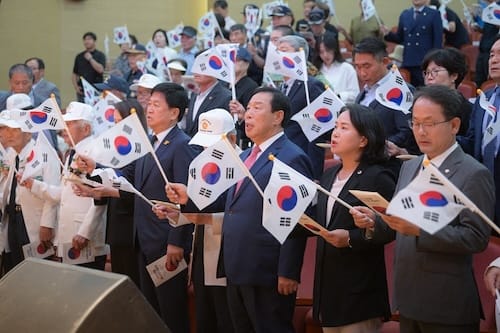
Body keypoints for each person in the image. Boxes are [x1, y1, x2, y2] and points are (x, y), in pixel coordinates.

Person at [168, 86, 314, 332]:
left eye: (257, 108)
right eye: (248, 108)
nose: (248, 114)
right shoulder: (246, 155)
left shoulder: (291, 157)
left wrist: (288, 270)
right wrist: (187, 197)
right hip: (236, 265)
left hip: (266, 269)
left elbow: (296, 218)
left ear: (278, 117)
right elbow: (228, 203)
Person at [355, 85, 494, 332]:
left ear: (454, 125)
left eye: (429, 124)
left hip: (446, 303)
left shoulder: (473, 173)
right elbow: (400, 225)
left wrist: (421, 230)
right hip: (408, 296)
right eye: (415, 123)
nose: (420, 131)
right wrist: (376, 222)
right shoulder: (411, 166)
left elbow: (476, 238)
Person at [120, 82, 198, 331]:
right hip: (144, 239)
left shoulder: (182, 145)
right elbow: (129, 178)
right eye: (149, 103)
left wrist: (177, 240)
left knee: (171, 313)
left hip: (166, 243)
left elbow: (185, 197)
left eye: (156, 105)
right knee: (150, 312)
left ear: (174, 112)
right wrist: (94, 170)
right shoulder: (149, 141)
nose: (148, 109)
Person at [313, 104, 396, 332]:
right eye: (335, 127)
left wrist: (351, 238)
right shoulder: (329, 174)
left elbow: (391, 228)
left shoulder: (378, 177)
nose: (335, 133)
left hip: (360, 295)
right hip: (328, 293)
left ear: (363, 140)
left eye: (344, 127)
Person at [158, 109, 237, 333]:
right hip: (202, 252)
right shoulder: (201, 164)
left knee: (225, 320)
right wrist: (177, 212)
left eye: (212, 144)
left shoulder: (242, 169)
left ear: (231, 139)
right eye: (204, 144)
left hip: (228, 258)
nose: (206, 150)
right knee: (204, 319)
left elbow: (233, 215)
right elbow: (198, 208)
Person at [30, 102, 109, 270]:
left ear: (86, 129)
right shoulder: (71, 153)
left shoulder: (96, 151)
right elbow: (64, 193)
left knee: (87, 287)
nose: (64, 129)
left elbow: (101, 196)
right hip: (69, 232)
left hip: (84, 234)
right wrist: (33, 185)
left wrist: (85, 231)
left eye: (70, 124)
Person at [0, 102, 60, 272]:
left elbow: (53, 191)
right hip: (12, 217)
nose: (9, 135)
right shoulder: (11, 154)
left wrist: (47, 224)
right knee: (13, 265)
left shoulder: (45, 153)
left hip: (33, 220)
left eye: (15, 130)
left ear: (28, 132)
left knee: (35, 269)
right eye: (6, 129)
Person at [353, 37, 416, 156]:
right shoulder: (362, 93)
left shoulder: (400, 90)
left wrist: (378, 145)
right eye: (358, 67)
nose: (362, 73)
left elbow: (408, 131)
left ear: (385, 61)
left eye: (367, 66)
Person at [462, 36, 500, 228]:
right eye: (492, 54)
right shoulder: (484, 98)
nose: (494, 59)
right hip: (485, 186)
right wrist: (443, 137)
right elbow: (471, 142)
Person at [278, 35, 326, 181]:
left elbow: (318, 129)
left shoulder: (311, 85)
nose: (278, 55)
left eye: (284, 50)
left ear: (299, 54)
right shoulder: (280, 87)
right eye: (277, 51)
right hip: (279, 155)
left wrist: (314, 171)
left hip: (301, 156)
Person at [382, 0, 443, 87]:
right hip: (408, 61)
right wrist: (388, 34)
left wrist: (435, 63)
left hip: (424, 62)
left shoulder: (433, 14)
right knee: (408, 91)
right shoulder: (405, 14)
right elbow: (400, 38)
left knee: (424, 92)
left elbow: (437, 42)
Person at [422, 48, 470, 137]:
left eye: (435, 71)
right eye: (427, 72)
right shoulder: (421, 105)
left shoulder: (466, 109)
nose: (429, 77)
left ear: (454, 76)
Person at [184, 63, 231, 137]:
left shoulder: (226, 97)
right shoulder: (194, 94)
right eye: (196, 67)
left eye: (202, 67)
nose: (197, 71)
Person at [314, 34, 359, 103]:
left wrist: (338, 96)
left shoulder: (347, 68)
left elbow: (355, 94)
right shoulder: (315, 70)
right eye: (321, 52)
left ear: (335, 49)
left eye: (328, 50)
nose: (325, 55)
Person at [229, 47, 259, 149]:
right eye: (231, 60)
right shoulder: (224, 84)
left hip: (240, 136)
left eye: (237, 60)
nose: (233, 63)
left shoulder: (251, 86)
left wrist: (242, 113)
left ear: (247, 63)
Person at [71, 32, 106, 102]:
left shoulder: (100, 55)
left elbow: (101, 70)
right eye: (85, 40)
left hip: (96, 90)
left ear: (94, 41)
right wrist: (76, 87)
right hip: (82, 91)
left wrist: (90, 59)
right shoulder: (79, 56)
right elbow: (74, 73)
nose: (86, 41)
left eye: (89, 39)